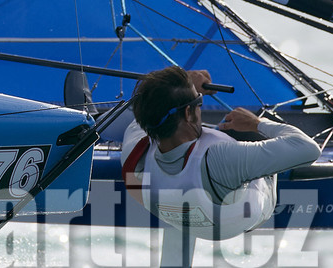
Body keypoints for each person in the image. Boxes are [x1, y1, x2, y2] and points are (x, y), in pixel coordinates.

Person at [121, 66, 320, 240]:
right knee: (247, 133)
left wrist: (183, 87)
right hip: (244, 216)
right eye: (198, 102)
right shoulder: (221, 158)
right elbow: (308, 148)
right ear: (188, 113)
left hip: (186, 217)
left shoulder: (134, 149)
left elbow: (145, 107)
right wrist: (256, 123)